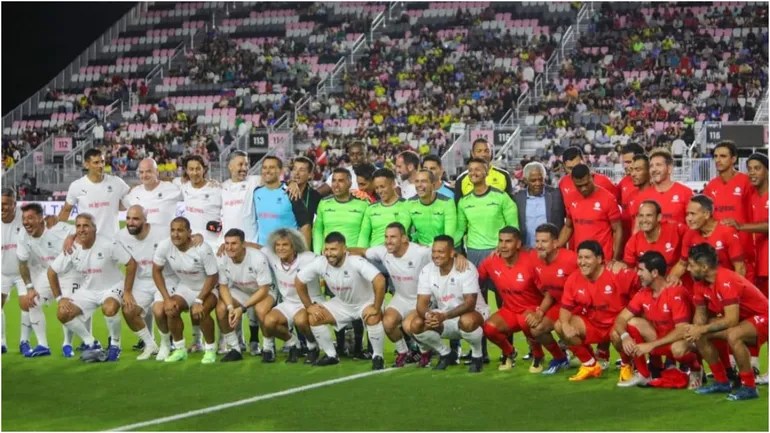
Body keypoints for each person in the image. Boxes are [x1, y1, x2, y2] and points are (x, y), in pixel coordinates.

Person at [48, 213, 138, 362]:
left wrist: (127, 291)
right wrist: (60, 298)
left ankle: (115, 345)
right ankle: (91, 343)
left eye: (86, 226)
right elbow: (51, 272)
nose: (82, 229)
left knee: (109, 308)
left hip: (112, 286)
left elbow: (131, 263)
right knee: (63, 313)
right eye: (78, 226)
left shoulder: (109, 244)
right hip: (88, 289)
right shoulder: (72, 249)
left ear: (94, 228)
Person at [685, 243, 768, 401]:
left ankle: (749, 387)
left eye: (691, 265)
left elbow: (731, 320)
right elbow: (701, 314)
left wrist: (702, 329)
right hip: (743, 320)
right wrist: (695, 329)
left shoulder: (725, 280)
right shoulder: (700, 283)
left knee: (734, 335)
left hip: (763, 316)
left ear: (704, 267)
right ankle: (722, 382)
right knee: (701, 333)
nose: (688, 269)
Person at [295, 232, 388, 369]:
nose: (328, 253)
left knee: (373, 317)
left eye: (333, 249)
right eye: (326, 249)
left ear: (344, 249)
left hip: (365, 303)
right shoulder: (321, 262)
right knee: (314, 317)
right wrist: (309, 306)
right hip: (342, 304)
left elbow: (379, 280)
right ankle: (331, 355)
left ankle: (378, 356)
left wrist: (376, 306)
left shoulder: (356, 261)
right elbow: (299, 280)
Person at [480, 227, 568, 373]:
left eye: (508, 241)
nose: (503, 245)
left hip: (532, 308)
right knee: (489, 328)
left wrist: (540, 312)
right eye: (501, 241)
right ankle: (509, 352)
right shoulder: (492, 261)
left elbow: (549, 293)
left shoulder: (531, 261)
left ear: (519, 244)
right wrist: (458, 258)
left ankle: (542, 356)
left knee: (526, 320)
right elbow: (475, 277)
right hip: (509, 310)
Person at [612, 251, 700, 388]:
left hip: (688, 340)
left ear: (654, 273)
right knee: (631, 323)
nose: (638, 274)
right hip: (662, 340)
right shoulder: (643, 293)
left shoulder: (675, 292)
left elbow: (683, 330)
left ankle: (695, 369)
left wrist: (651, 345)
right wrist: (625, 336)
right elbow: (621, 318)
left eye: (641, 270)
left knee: (677, 348)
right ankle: (644, 375)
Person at [350, 223, 433, 367]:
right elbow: (363, 251)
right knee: (387, 323)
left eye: (393, 237)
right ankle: (403, 352)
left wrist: (459, 257)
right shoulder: (383, 252)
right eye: (386, 237)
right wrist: (341, 250)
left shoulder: (420, 252)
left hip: (421, 299)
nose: (388, 241)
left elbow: (442, 252)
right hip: (401, 297)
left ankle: (425, 352)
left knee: (409, 326)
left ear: (404, 239)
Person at [556, 240, 638, 381]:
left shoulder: (617, 274)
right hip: (593, 324)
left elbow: (640, 292)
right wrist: (565, 325)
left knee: (619, 334)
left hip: (616, 324)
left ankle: (627, 365)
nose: (582, 262)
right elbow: (565, 308)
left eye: (587, 257)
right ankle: (590, 365)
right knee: (559, 325)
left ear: (599, 259)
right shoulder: (574, 278)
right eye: (580, 257)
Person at [406, 235, 490, 373]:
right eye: (434, 251)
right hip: (445, 315)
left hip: (473, 314)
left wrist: (444, 316)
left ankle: (477, 355)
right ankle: (445, 353)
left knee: (467, 320)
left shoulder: (466, 268)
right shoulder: (427, 270)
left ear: (452, 253)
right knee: (416, 324)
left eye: (441, 252)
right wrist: (428, 315)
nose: (436, 255)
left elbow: (470, 304)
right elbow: (421, 304)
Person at [152, 217, 219, 363]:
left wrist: (199, 300)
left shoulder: (202, 248)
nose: (176, 234)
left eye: (180, 230)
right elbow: (156, 271)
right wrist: (167, 299)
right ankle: (179, 349)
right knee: (170, 309)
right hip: (186, 287)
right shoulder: (165, 245)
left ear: (189, 232)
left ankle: (210, 350)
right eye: (173, 230)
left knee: (200, 312)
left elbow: (213, 276)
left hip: (208, 288)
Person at [16, 203, 78, 357]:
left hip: (69, 272)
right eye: (24, 218)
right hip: (48, 272)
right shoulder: (23, 235)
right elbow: (22, 263)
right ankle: (43, 345)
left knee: (66, 307)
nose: (26, 222)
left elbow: (82, 229)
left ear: (40, 218)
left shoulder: (56, 228)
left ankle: (67, 344)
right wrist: (29, 288)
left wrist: (71, 237)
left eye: (30, 218)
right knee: (33, 301)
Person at [117, 205, 177, 360]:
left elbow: (183, 235)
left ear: (145, 219)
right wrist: (127, 291)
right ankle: (150, 345)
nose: (131, 222)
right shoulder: (121, 236)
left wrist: (198, 237)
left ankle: (165, 345)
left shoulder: (163, 231)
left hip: (164, 278)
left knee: (159, 311)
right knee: (128, 310)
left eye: (136, 219)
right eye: (128, 218)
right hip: (141, 282)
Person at [260, 228, 324, 364]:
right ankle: (293, 343)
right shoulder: (271, 255)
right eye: (277, 245)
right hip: (288, 303)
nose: (280, 249)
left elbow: (328, 262)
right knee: (268, 322)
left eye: (285, 245)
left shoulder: (308, 258)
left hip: (309, 301)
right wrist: (227, 245)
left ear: (294, 246)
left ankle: (313, 347)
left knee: (300, 320)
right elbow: (256, 248)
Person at [215, 229, 274, 362]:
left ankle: (268, 348)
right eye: (227, 243)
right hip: (241, 290)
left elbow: (264, 289)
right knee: (221, 309)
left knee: (260, 309)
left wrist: (241, 308)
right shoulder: (222, 257)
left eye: (234, 243)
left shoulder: (258, 258)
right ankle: (235, 348)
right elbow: (223, 286)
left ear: (243, 244)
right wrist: (231, 307)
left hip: (264, 290)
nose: (229, 247)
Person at [530, 223, 577, 375]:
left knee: (562, 326)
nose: (539, 245)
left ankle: (589, 360)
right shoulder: (536, 260)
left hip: (577, 307)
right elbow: (551, 292)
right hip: (559, 306)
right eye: (537, 241)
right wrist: (540, 312)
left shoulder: (571, 259)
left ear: (556, 243)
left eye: (544, 241)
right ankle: (560, 358)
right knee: (536, 328)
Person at [668, 195, 748, 284]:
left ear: (706, 214)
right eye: (687, 214)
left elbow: (740, 268)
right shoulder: (689, 235)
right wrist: (671, 279)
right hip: (704, 287)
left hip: (727, 284)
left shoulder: (727, 232)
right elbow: (682, 264)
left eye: (693, 214)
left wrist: (732, 290)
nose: (689, 219)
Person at [558, 164, 623, 265]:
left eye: (586, 184)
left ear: (592, 177)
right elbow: (568, 227)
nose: (583, 188)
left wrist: (615, 259)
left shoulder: (608, 198)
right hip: (581, 259)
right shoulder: (570, 198)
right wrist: (556, 247)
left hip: (602, 259)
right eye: (579, 186)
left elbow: (617, 230)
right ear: (573, 182)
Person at [721, 152, 768, 294]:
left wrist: (740, 226)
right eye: (749, 169)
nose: (752, 172)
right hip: (754, 263)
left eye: (757, 168)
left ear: (767, 170)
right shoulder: (750, 195)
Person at [59, 148, 130, 237]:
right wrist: (58, 234)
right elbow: (66, 210)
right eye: (96, 162)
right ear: (86, 165)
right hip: (88, 240)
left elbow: (130, 199)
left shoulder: (116, 182)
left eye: (102, 162)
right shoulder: (76, 186)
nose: (101, 165)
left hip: (113, 240)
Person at [253, 155, 311, 247]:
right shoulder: (256, 193)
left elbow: (305, 226)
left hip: (287, 251)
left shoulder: (291, 192)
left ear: (280, 171)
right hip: (263, 252)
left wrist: (305, 255)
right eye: (264, 167)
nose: (267, 171)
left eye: (271, 167)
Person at [617, 201, 687, 272]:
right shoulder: (633, 242)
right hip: (649, 282)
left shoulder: (676, 229)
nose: (644, 220)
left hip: (678, 281)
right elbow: (629, 269)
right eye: (641, 216)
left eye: (649, 215)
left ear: (659, 217)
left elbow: (693, 236)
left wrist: (678, 270)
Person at [312, 168, 369, 254]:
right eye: (334, 181)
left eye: (341, 181)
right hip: (328, 256)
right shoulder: (324, 203)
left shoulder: (363, 204)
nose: (336, 185)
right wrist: (317, 254)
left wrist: (358, 254)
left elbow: (365, 233)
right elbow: (318, 230)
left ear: (350, 183)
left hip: (353, 256)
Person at [175, 155, 223, 252]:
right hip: (191, 244)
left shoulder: (216, 188)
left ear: (204, 169)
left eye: (198, 169)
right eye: (191, 169)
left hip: (213, 245)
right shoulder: (184, 187)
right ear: (186, 170)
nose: (194, 173)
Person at [513, 162, 565, 248]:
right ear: (525, 180)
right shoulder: (518, 198)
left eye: (541, 179)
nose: (538, 183)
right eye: (533, 180)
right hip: (526, 250)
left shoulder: (556, 195)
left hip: (552, 250)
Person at [634, 149, 692, 226]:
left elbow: (693, 227)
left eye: (658, 165)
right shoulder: (642, 197)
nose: (654, 169)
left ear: (669, 168)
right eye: (651, 166)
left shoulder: (685, 193)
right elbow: (637, 229)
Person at [1, 188, 27, 354]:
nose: (2, 208)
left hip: (22, 272)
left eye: (5, 204)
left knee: (27, 305)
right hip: (2, 272)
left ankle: (24, 342)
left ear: (14, 205)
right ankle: (1, 341)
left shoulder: (24, 217)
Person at [357, 168, 411, 248]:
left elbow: (402, 232)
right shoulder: (371, 208)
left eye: (382, 187)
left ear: (393, 184)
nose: (379, 191)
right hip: (374, 255)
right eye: (377, 188)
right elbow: (363, 237)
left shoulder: (406, 205)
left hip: (397, 253)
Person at [123, 158, 182, 228]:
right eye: (141, 172)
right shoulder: (134, 192)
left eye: (148, 171)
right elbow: (121, 205)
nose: (144, 175)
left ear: (157, 172)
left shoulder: (172, 188)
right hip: (142, 238)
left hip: (165, 238)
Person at [408, 169, 457, 247]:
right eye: (417, 181)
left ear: (433, 185)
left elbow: (449, 237)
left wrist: (428, 247)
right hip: (419, 250)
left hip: (441, 249)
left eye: (423, 181)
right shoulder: (409, 203)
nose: (419, 185)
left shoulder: (447, 203)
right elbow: (404, 230)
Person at [623, 154, 651, 240]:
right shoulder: (631, 196)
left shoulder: (657, 195)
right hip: (636, 247)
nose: (633, 174)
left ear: (649, 171)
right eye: (632, 170)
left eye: (638, 170)